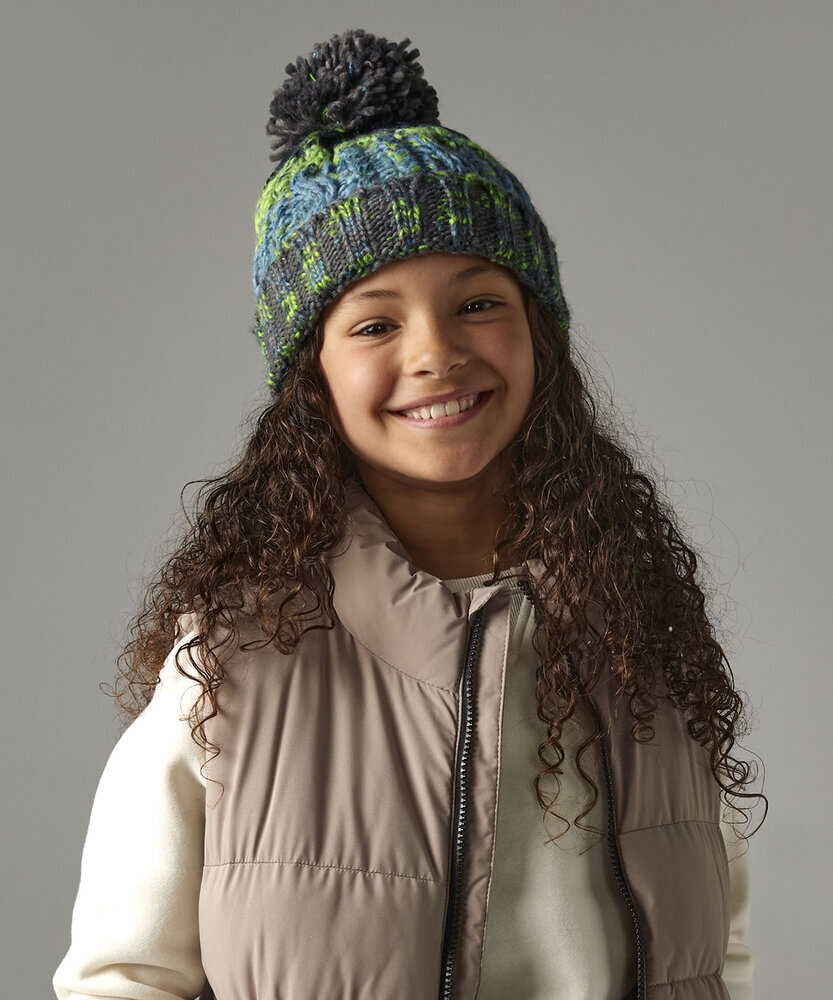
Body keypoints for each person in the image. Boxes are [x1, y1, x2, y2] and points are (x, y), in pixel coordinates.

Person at [53, 27, 766, 1000]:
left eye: (478, 304)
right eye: (376, 323)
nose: (434, 352)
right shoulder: (232, 662)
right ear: (312, 378)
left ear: (538, 334)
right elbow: (122, 976)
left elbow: (714, 950)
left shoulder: (638, 637)